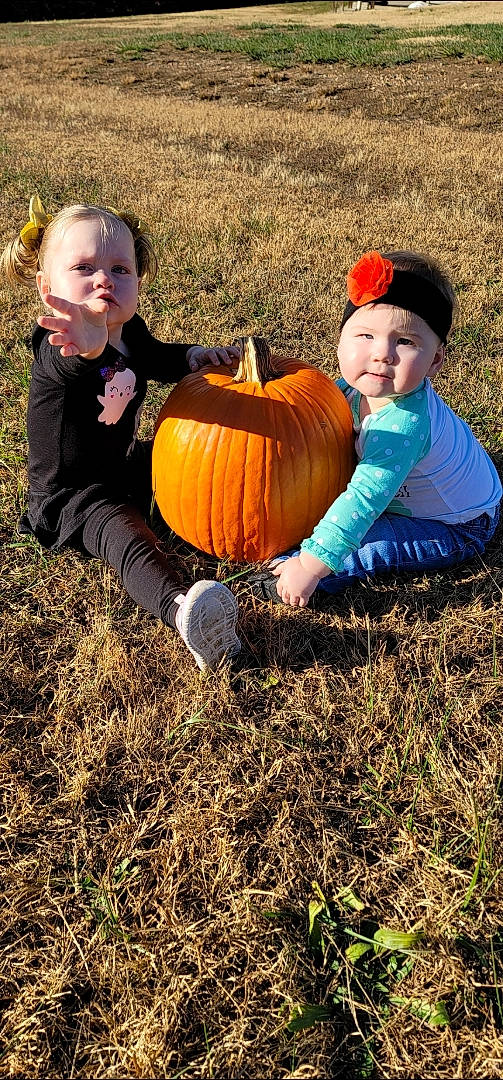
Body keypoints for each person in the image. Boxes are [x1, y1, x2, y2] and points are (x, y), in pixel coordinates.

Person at [2, 196, 241, 670]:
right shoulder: (59, 344)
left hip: (121, 466)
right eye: (84, 267)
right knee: (125, 533)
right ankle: (181, 610)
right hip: (72, 496)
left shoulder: (131, 331)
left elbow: (156, 358)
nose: (104, 279)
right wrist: (88, 348)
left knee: (189, 465)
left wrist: (192, 356)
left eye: (121, 269)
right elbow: (68, 365)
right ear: (48, 287)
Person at [251, 249, 501, 607]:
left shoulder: (403, 427)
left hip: (458, 525)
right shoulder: (349, 389)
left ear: (436, 359)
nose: (383, 353)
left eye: (405, 341)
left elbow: (364, 500)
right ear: (341, 338)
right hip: (440, 494)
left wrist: (309, 564)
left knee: (371, 540)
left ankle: (308, 578)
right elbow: (306, 415)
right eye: (366, 335)